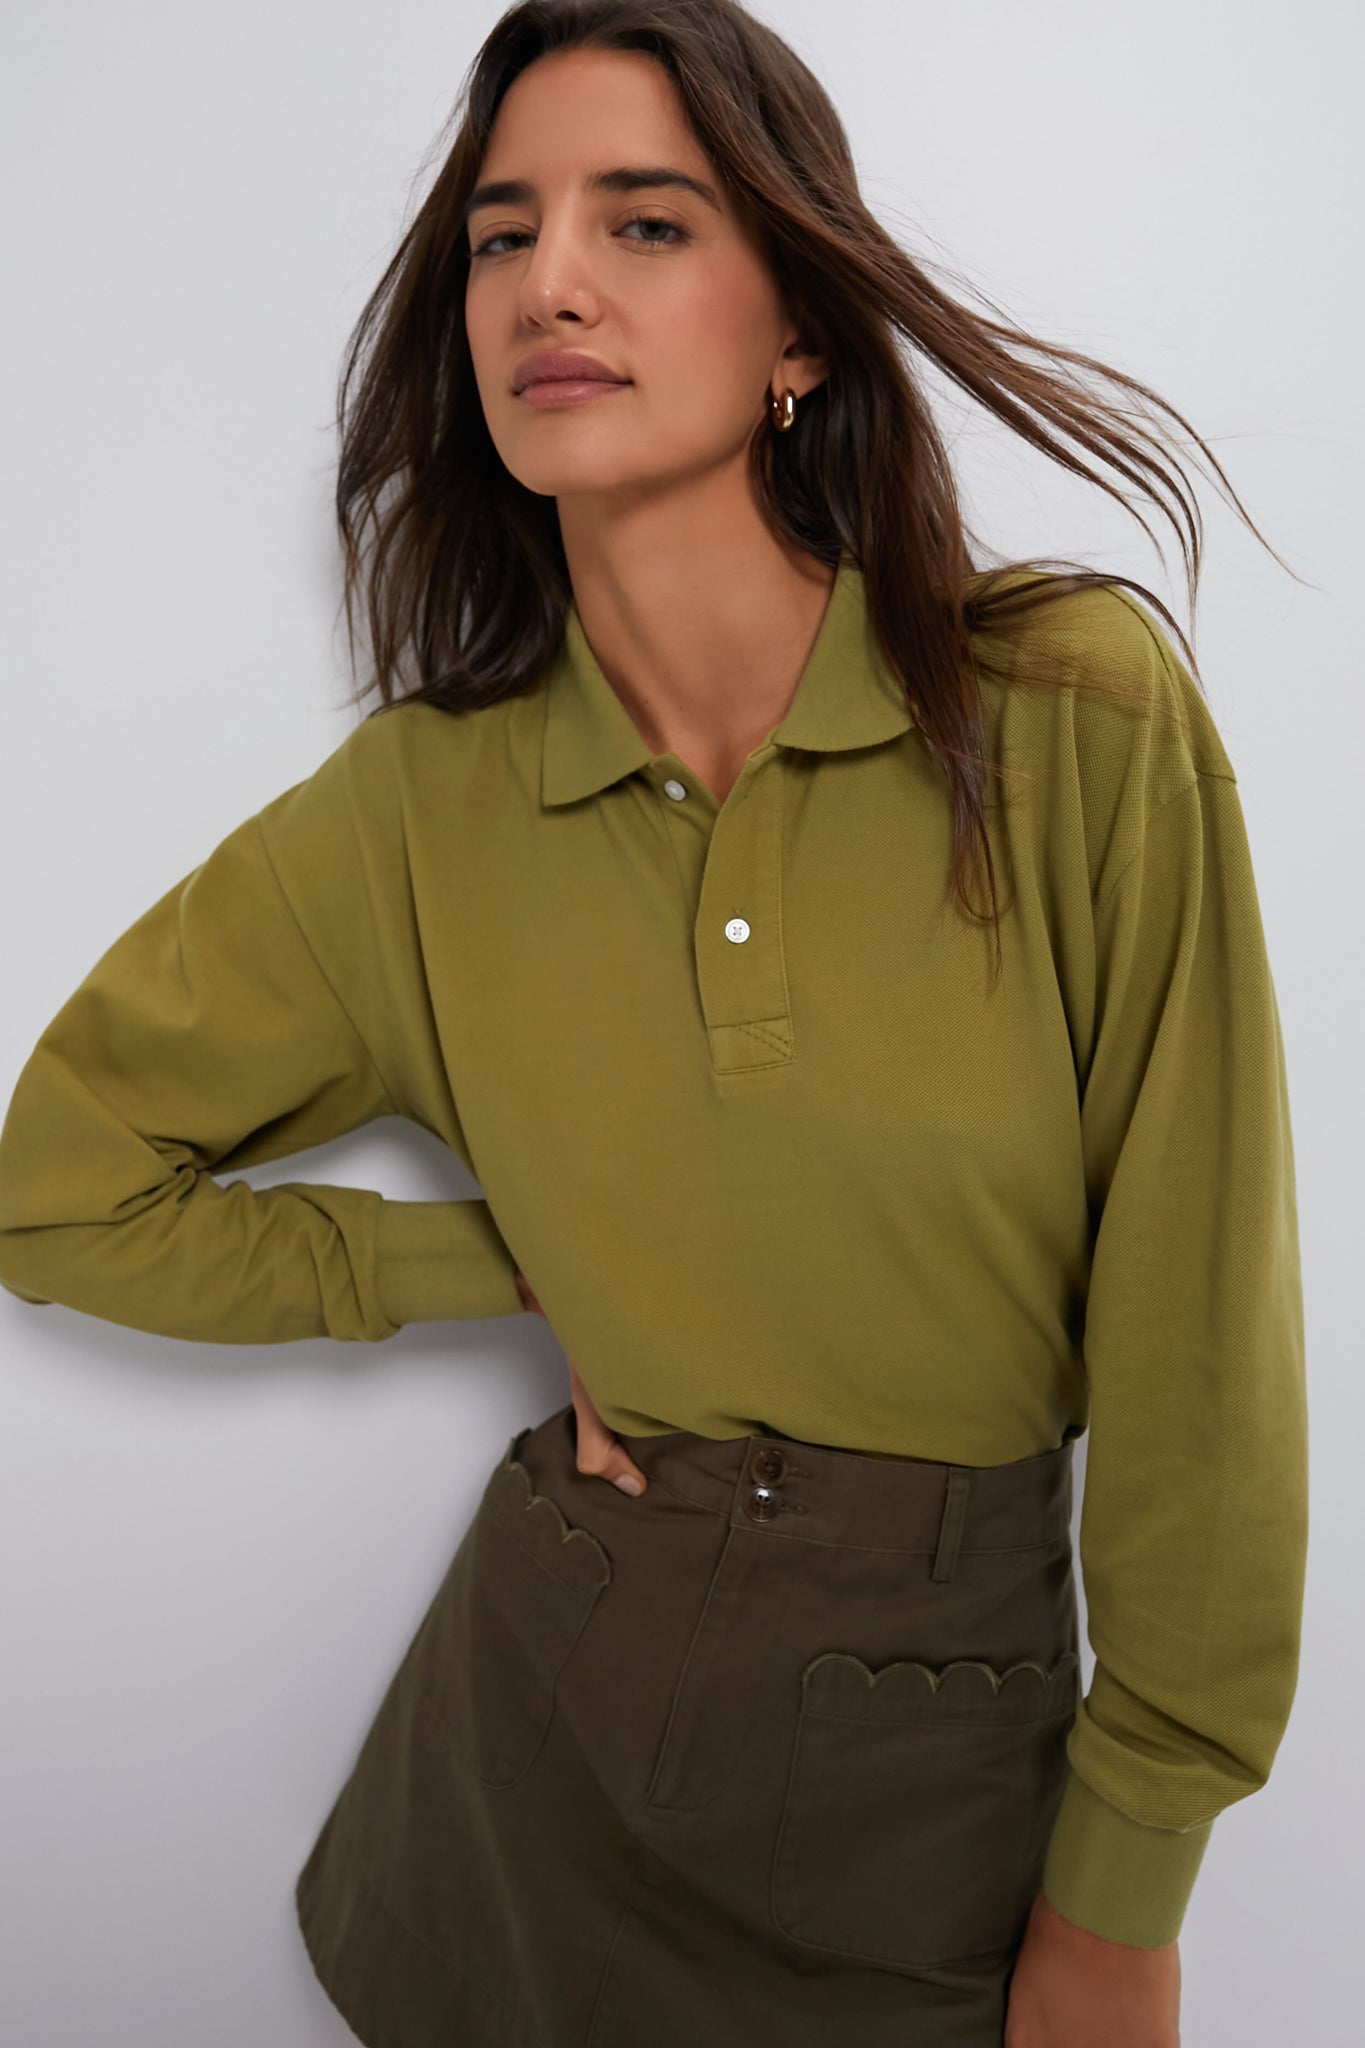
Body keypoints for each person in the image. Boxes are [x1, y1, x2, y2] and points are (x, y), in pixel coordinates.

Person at [0, 3, 1308, 2044]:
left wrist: (1126, 1885)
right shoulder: (412, 816)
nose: (551, 284)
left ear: (800, 331)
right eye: (500, 235)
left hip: (929, 1786)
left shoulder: (1068, 721)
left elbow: (1200, 1347)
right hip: (527, 1770)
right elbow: (56, 1193)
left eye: (646, 222)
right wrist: (496, 1266)